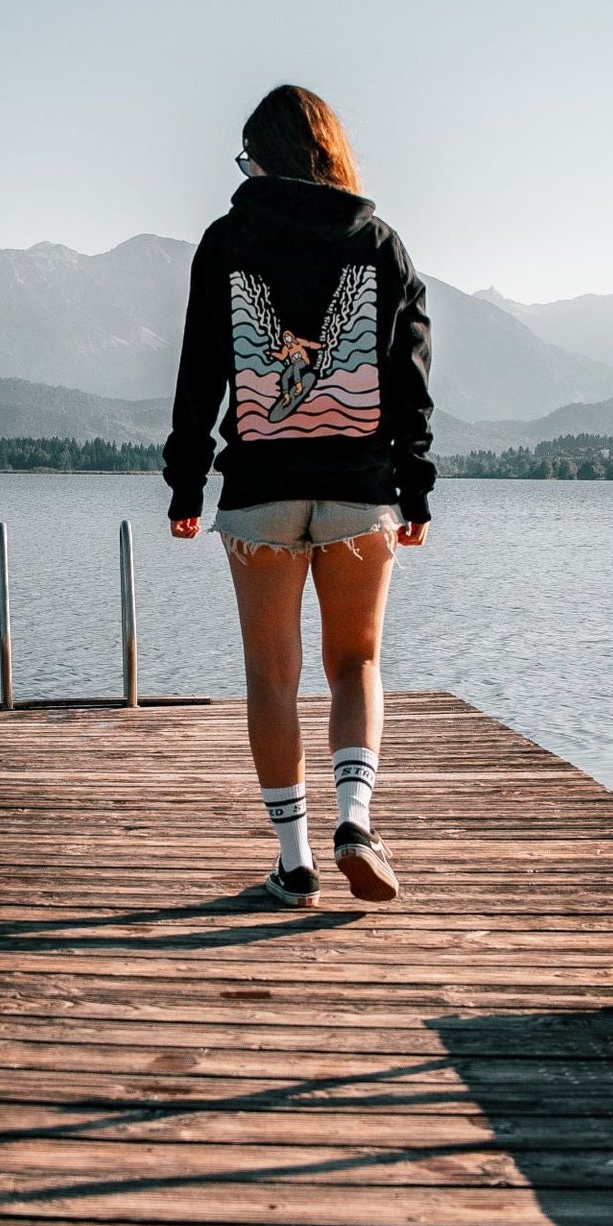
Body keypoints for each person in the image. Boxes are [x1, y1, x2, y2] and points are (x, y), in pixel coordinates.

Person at [163, 84, 434, 907]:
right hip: (360, 493)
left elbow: (199, 373)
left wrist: (185, 481)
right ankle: (357, 817)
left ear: (263, 158)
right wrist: (415, 490)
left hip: (261, 492)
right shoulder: (380, 244)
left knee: (271, 678)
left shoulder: (226, 241)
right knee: (355, 662)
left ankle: (297, 861)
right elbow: (409, 381)